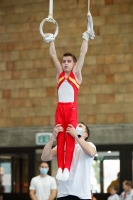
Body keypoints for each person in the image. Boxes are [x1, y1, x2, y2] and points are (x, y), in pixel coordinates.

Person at [44, 27, 94, 182]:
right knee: (60, 135)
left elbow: (82, 53)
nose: (65, 63)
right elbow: (53, 54)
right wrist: (51, 40)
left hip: (71, 108)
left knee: (70, 135)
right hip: (60, 108)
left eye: (68, 61)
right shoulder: (59, 74)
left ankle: (67, 167)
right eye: (64, 61)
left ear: (74, 64)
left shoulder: (76, 74)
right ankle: (60, 167)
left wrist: (85, 37)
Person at [41, 122, 96, 200]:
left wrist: (76, 135)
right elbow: (44, 157)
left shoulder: (90, 145)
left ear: (85, 135)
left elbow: (91, 152)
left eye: (80, 126)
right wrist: (52, 137)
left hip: (82, 195)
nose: (76, 126)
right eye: (76, 125)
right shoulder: (63, 146)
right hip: (63, 194)